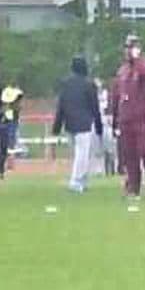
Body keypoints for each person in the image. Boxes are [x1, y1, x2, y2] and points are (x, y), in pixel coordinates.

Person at [112, 34, 145, 199]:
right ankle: (134, 186)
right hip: (126, 119)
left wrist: (137, 59)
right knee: (129, 155)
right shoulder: (121, 71)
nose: (128, 51)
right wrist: (115, 120)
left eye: (131, 47)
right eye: (127, 48)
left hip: (142, 118)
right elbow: (116, 96)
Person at [52, 55, 103, 194]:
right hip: (84, 124)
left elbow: (60, 106)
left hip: (69, 123)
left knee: (78, 154)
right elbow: (95, 107)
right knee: (82, 154)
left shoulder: (65, 84)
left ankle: (82, 180)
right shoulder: (89, 85)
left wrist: (56, 126)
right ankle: (76, 181)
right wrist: (99, 126)